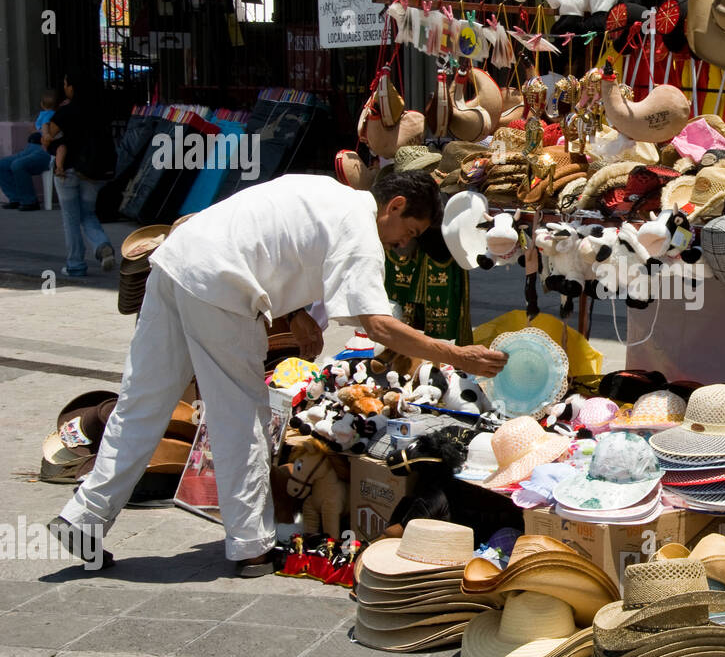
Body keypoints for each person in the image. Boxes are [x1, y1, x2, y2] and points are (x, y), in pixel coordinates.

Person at [50, 171, 507, 575]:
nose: (402, 243)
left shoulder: (326, 192)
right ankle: (251, 547)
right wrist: (455, 355)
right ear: (395, 206)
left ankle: (83, 518)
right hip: (219, 286)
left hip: (176, 261)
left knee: (141, 402)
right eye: (408, 231)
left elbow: (274, 243)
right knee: (241, 417)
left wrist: (295, 312)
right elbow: (379, 325)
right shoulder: (362, 230)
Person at [46, 72, 117, 275]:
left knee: (71, 218)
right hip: (92, 173)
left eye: (67, 83)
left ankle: (75, 264)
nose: (65, 86)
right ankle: (102, 245)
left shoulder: (65, 112)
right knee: (87, 213)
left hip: (66, 171)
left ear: (73, 88)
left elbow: (49, 137)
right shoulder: (101, 110)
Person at [0, 89, 60, 211]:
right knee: (3, 164)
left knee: (18, 165)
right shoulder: (42, 115)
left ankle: (30, 201)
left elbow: (47, 134)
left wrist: (40, 132)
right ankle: (15, 198)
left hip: (44, 151)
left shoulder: (56, 116)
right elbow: (35, 128)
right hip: (30, 148)